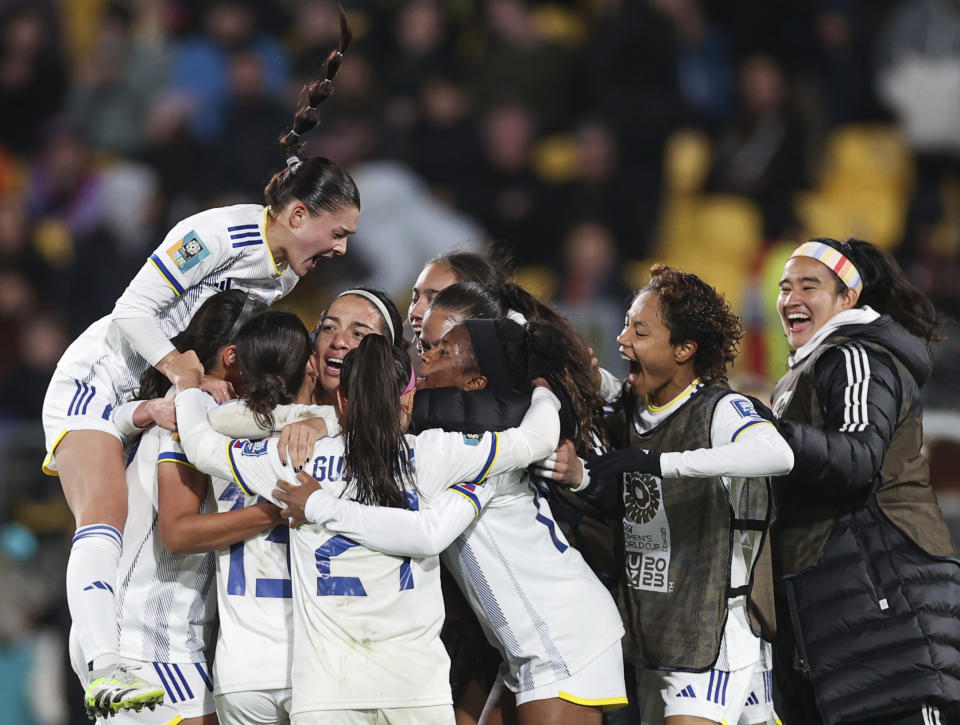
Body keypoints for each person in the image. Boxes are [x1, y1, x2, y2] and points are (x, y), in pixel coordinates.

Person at [39, 13, 359, 718]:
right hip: (102, 373)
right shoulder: (215, 233)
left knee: (146, 521)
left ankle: (142, 653)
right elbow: (131, 312)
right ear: (300, 212)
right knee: (109, 511)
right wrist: (184, 376)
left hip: (155, 390)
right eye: (336, 233)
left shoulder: (281, 275)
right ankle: (104, 663)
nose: (339, 249)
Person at [172, 318, 562, 725]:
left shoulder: (293, 457)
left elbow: (200, 447)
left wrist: (188, 388)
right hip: (417, 690)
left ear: (340, 404)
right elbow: (538, 439)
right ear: (407, 401)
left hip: (329, 694)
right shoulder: (433, 454)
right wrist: (544, 392)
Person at [283, 318, 628, 725]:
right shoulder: (452, 440)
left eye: (444, 352)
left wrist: (321, 506)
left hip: (563, 637)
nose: (424, 355)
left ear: (475, 383)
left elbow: (429, 534)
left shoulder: (478, 455)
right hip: (527, 644)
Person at [546, 265, 794, 725]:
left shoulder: (721, 408)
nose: (622, 339)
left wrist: (662, 465)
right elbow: (606, 390)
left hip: (712, 636)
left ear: (684, 349)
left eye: (640, 331)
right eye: (624, 324)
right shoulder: (637, 408)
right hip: (656, 631)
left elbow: (777, 453)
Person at [768, 238, 960, 724]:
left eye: (808, 285)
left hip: (888, 617)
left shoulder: (857, 355)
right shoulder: (806, 370)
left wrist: (765, 432)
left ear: (848, 298)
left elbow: (857, 457)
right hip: (846, 625)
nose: (791, 297)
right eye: (784, 286)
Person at [69, 290, 281, 724]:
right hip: (149, 639)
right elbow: (178, 532)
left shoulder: (190, 407)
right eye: (267, 347)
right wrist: (278, 511)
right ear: (235, 356)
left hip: (137, 633)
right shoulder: (191, 415)